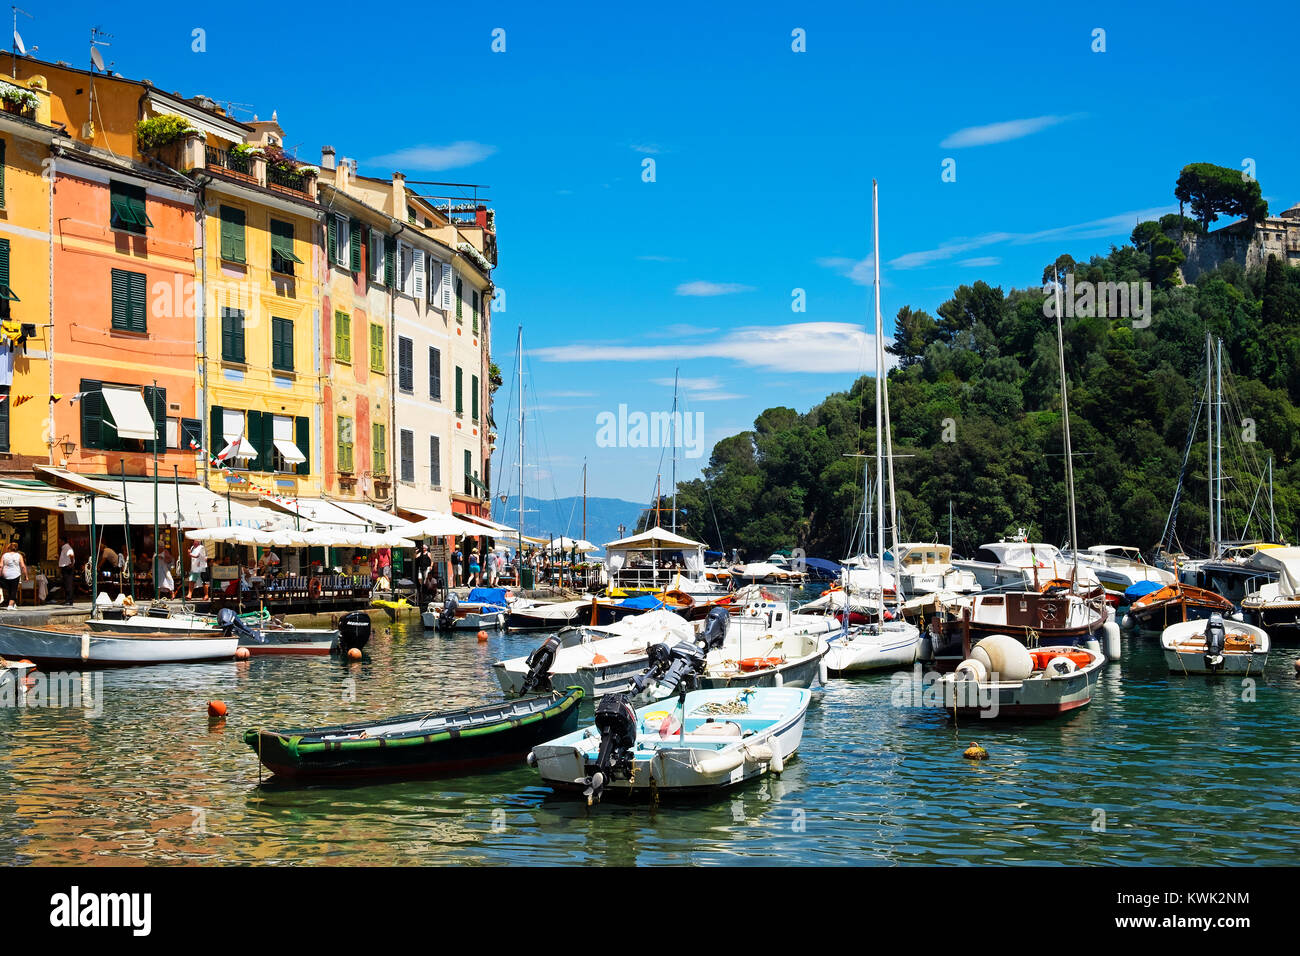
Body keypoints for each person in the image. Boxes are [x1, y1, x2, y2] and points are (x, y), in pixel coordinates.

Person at [1, 540, 27, 609]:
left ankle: (13, 603)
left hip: (5, 575)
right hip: (15, 574)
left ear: (9, 548)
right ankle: (10, 605)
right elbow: (23, 566)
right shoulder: (19, 556)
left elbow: (1, 566)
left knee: (10, 589)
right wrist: (26, 576)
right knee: (13, 590)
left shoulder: (4, 555)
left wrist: (0, 573)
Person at [58, 537, 77, 606]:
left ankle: (69, 600)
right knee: (66, 584)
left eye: (60, 541)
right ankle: (67, 600)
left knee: (68, 584)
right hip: (65, 567)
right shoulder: (64, 548)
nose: (59, 543)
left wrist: (71, 564)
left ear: (63, 541)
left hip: (67, 567)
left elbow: (71, 555)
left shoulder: (67, 547)